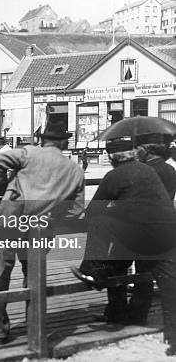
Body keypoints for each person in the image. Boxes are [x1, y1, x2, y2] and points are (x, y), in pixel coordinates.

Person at [71, 139, 176, 357]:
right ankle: (173, 339)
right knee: (170, 289)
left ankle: (94, 271)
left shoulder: (114, 176)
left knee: (99, 223)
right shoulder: (149, 170)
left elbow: (93, 211)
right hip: (167, 234)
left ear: (111, 158)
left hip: (138, 235)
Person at [0, 122, 85, 344]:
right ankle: (35, 326)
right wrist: (53, 217)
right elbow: (77, 210)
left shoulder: (29, 152)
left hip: (8, 221)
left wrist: (2, 189)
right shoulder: (75, 170)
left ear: (42, 139)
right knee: (34, 277)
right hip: (41, 228)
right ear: (64, 142)